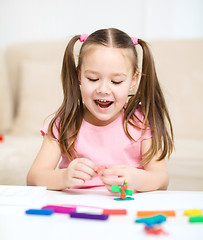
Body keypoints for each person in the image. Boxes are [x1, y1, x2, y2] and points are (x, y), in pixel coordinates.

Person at [27, 28, 174, 193]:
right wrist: (63, 177)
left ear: (133, 81)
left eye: (116, 81)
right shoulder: (63, 122)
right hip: (77, 210)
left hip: (127, 209)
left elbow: (161, 179)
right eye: (93, 79)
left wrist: (138, 179)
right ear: (79, 76)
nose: (103, 89)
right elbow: (34, 178)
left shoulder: (142, 121)